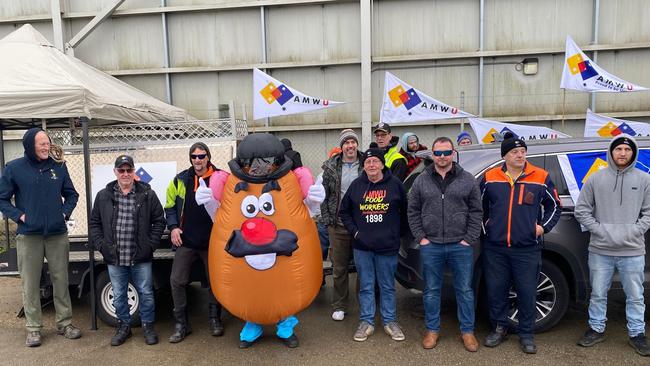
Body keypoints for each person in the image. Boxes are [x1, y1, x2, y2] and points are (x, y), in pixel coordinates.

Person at [479, 132, 561, 354]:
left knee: (527, 292)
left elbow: (555, 206)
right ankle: (499, 328)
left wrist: (542, 227)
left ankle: (526, 334)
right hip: (495, 248)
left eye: (523, 152)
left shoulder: (540, 176)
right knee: (496, 291)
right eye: (515, 152)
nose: (520, 155)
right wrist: (487, 230)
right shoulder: (490, 177)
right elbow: (479, 207)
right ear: (505, 155)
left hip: (526, 249)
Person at [0, 128, 80, 347]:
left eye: (48, 143)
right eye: (42, 143)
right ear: (29, 145)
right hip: (29, 236)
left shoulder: (58, 167)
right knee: (30, 284)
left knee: (61, 280)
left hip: (57, 235)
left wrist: (64, 213)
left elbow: (72, 194)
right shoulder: (14, 169)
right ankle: (34, 328)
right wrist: (19, 216)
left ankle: (65, 323)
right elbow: (2, 199)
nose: (46, 147)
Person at [574, 134, 650, 357]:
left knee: (635, 295)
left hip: (632, 249)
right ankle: (596, 329)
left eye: (627, 150)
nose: (623, 153)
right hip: (600, 249)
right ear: (611, 152)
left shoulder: (644, 179)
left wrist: (633, 231)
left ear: (633, 152)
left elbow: (648, 213)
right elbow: (581, 210)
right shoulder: (595, 179)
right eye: (618, 150)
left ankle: (637, 334)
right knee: (598, 293)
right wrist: (600, 230)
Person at [407, 136, 483, 352]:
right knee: (431, 290)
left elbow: (476, 211)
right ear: (432, 154)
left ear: (453, 154)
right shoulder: (422, 180)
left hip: (461, 245)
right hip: (431, 245)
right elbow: (412, 210)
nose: (442, 157)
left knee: (465, 291)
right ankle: (432, 329)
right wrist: (421, 236)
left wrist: (469, 238)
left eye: (446, 152)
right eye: (438, 153)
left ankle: (467, 331)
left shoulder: (467, 179)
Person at [89, 155, 166, 346]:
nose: (125, 174)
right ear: (115, 172)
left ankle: (148, 327)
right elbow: (94, 224)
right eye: (121, 170)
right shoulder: (103, 196)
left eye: (129, 170)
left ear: (134, 172)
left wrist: (151, 245)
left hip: (140, 256)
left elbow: (159, 220)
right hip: (114, 257)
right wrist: (102, 246)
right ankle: (124, 327)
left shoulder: (147, 194)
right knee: (119, 293)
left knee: (146, 293)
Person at [339, 148, 408, 342]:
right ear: (364, 165)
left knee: (387, 286)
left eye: (375, 161)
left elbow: (406, 210)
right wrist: (356, 232)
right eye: (368, 162)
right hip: (362, 247)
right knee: (366, 286)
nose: (371, 165)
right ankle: (366, 322)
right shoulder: (356, 185)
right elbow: (344, 212)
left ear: (382, 164)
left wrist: (397, 234)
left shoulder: (395, 185)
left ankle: (390, 321)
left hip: (388, 247)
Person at [165, 142, 227, 342]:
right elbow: (170, 206)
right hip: (187, 240)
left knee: (215, 282)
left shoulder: (221, 178)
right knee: (176, 280)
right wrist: (174, 226)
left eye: (201, 156)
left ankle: (214, 318)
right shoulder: (180, 179)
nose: (197, 160)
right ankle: (182, 324)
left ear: (208, 157)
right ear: (190, 158)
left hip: (213, 241)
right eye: (194, 156)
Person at [320, 129, 364, 321]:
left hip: (362, 224)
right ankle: (339, 304)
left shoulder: (366, 163)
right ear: (342, 146)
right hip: (338, 225)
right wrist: (328, 219)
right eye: (346, 143)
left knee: (363, 267)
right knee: (339, 267)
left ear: (357, 144)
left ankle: (365, 303)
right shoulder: (331, 167)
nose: (350, 146)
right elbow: (324, 195)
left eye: (353, 142)